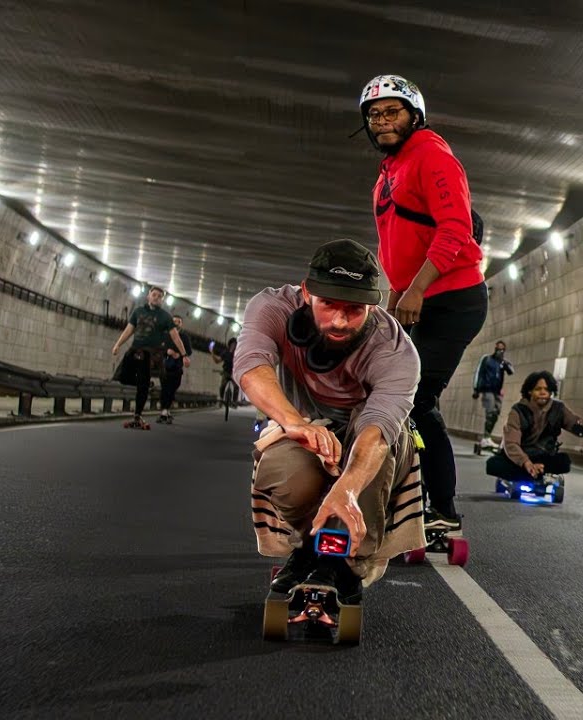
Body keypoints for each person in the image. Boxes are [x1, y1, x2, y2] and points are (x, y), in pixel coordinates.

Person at [236, 239, 424, 604]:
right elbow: (250, 366)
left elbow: (377, 431)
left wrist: (348, 487)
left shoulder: (397, 351)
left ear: (373, 305)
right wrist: (294, 423)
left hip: (370, 434)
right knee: (281, 468)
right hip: (306, 425)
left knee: (373, 457)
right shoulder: (272, 307)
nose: (339, 321)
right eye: (329, 305)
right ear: (307, 293)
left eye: (354, 309)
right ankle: (308, 547)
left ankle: (347, 562)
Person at [360, 73, 487, 531]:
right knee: (382, 390)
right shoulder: (390, 169)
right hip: (415, 298)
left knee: (416, 398)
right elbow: (396, 245)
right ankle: (396, 490)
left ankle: (444, 509)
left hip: (453, 300)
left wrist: (416, 289)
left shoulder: (432, 155)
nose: (382, 121)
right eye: (374, 115)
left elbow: (456, 229)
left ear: (415, 115)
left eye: (392, 112)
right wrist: (393, 300)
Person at [485, 371, 583, 485]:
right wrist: (526, 463)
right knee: (493, 464)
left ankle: (535, 473)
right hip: (520, 456)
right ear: (530, 391)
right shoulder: (518, 411)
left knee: (564, 462)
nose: (543, 393)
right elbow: (511, 444)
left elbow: (572, 422)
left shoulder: (558, 409)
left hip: (542, 455)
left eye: (546, 390)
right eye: (538, 389)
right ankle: (529, 474)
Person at [110, 286, 186, 429]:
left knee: (142, 386)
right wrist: (118, 344)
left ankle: (137, 415)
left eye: (159, 296)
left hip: (149, 354)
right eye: (154, 295)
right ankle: (146, 384)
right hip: (134, 350)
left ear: (162, 300)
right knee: (122, 377)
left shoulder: (165, 317)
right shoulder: (138, 311)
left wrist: (184, 355)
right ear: (148, 297)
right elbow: (129, 330)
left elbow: (175, 337)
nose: (156, 297)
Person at [472, 340, 515, 452]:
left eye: (501, 350)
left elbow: (511, 372)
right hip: (487, 390)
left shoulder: (502, 363)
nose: (499, 351)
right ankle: (486, 437)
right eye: (498, 349)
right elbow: (479, 373)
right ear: (495, 349)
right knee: (490, 412)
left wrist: (505, 363)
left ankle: (487, 437)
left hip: (497, 392)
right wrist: (476, 389)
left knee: (496, 413)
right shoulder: (487, 359)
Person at [156, 314, 192, 424]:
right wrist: (167, 351)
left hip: (177, 367)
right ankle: (164, 411)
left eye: (178, 322)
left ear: (181, 324)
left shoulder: (185, 337)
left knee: (172, 389)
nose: (176, 323)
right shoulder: (165, 335)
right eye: (174, 321)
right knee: (164, 389)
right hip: (165, 367)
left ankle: (166, 410)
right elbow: (158, 348)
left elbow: (189, 351)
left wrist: (180, 355)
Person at [210, 337, 238, 405]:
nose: (234, 346)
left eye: (235, 344)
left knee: (236, 386)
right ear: (230, 344)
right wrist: (212, 352)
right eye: (233, 344)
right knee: (223, 385)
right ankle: (221, 398)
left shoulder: (237, 354)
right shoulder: (225, 353)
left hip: (234, 373)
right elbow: (217, 361)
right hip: (226, 372)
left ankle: (234, 401)